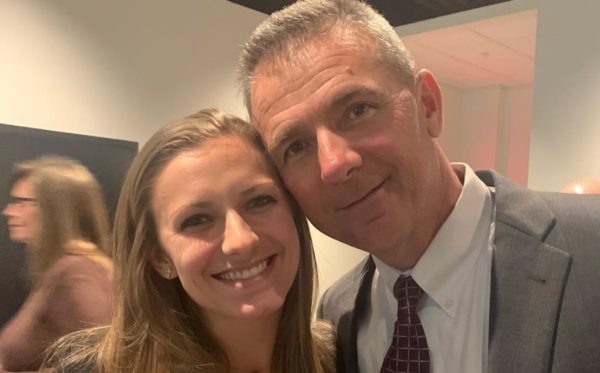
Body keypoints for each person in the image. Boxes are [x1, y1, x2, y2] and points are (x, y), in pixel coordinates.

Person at [238, 0, 600, 372]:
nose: (334, 164)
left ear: (427, 106)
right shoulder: (337, 316)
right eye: (296, 147)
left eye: (357, 110)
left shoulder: (591, 245)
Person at [43, 109, 335, 373]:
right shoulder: (90, 369)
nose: (241, 241)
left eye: (259, 201)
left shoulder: (338, 356)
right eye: (197, 220)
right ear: (159, 257)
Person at [0, 156, 113, 371]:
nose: (9, 211)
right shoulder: (63, 268)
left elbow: (110, 359)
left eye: (22, 202)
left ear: (55, 210)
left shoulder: (77, 270)